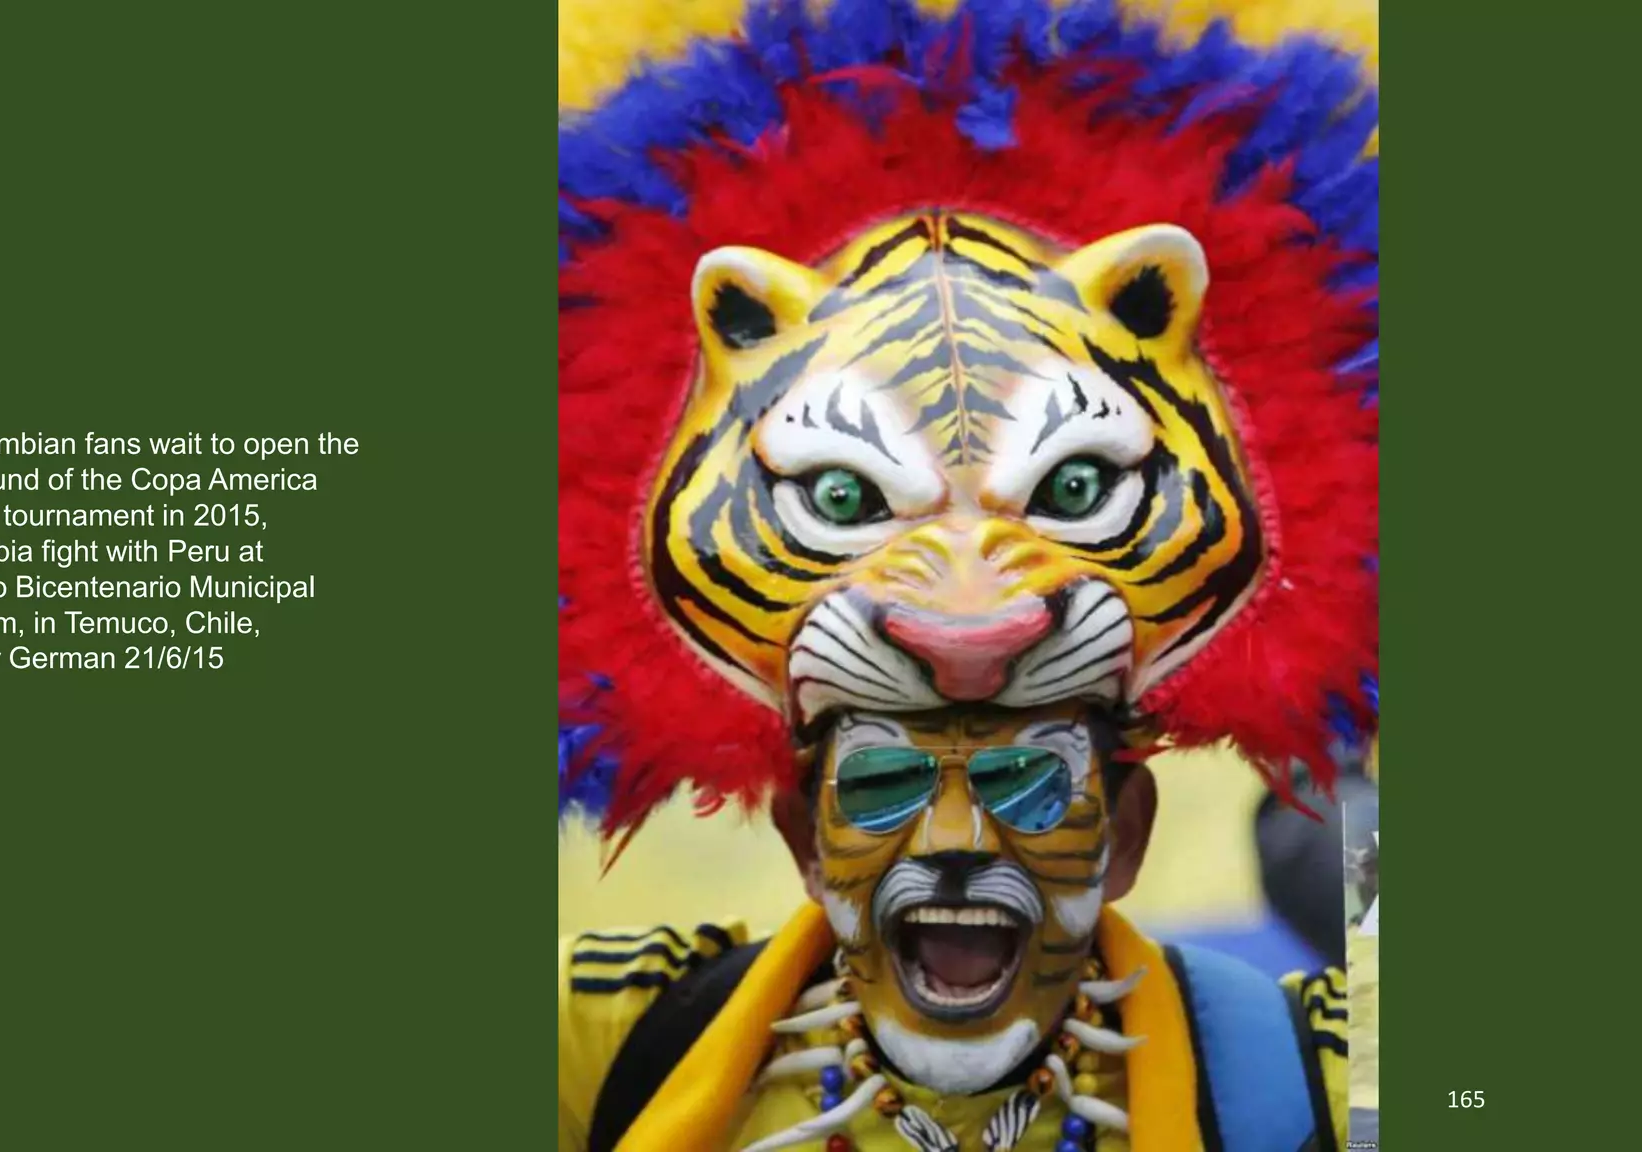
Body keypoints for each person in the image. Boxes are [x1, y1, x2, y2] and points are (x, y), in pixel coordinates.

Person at [558, 3, 1377, 1149]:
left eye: (1031, 788)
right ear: (800, 837)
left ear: (1125, 837)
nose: (954, 842)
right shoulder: (619, 1034)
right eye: (883, 784)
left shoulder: (1307, 1072)